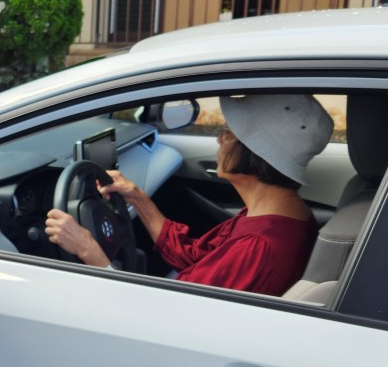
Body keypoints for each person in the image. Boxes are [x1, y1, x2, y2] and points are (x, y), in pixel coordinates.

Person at [45, 94, 334, 297]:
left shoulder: (258, 246)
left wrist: (89, 250)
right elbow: (194, 257)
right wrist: (137, 197)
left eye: (229, 132)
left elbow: (161, 316)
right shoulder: (277, 215)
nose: (219, 139)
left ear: (256, 153)